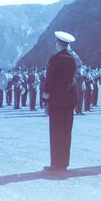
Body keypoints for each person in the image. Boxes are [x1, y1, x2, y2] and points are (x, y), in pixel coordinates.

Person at [43, 30, 78, 173]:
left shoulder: (54, 59)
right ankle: (64, 163)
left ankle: (55, 163)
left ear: (58, 43)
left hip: (57, 100)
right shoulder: (73, 59)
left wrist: (45, 99)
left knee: (56, 132)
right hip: (70, 99)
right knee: (66, 131)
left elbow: (50, 81)